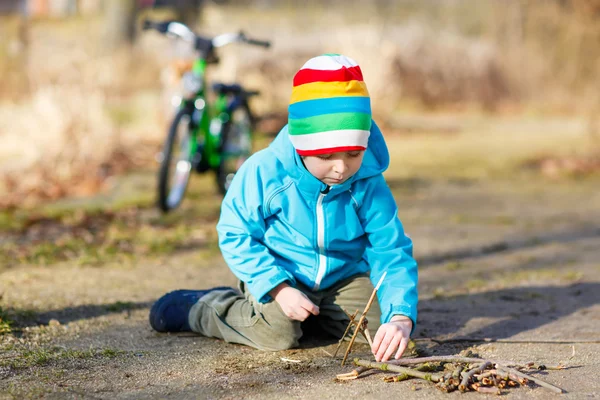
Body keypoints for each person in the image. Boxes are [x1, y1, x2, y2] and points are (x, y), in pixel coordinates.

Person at [150, 54, 418, 362]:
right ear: (302, 145)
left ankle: (314, 317)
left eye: (353, 154)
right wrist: (277, 288)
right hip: (280, 272)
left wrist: (400, 317)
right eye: (327, 156)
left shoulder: (368, 182)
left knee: (380, 332)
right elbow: (235, 231)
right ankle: (201, 307)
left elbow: (391, 250)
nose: (342, 168)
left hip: (341, 278)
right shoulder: (265, 171)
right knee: (278, 333)